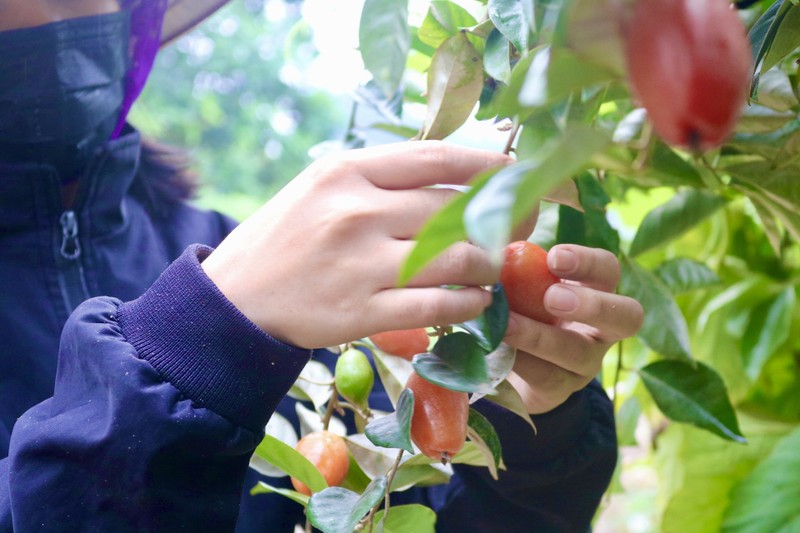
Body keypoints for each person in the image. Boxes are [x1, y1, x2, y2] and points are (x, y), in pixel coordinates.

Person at [0, 0, 644, 531]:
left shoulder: (262, 270)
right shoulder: (243, 285)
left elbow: (422, 512)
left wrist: (533, 426)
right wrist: (200, 342)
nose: (75, 15)